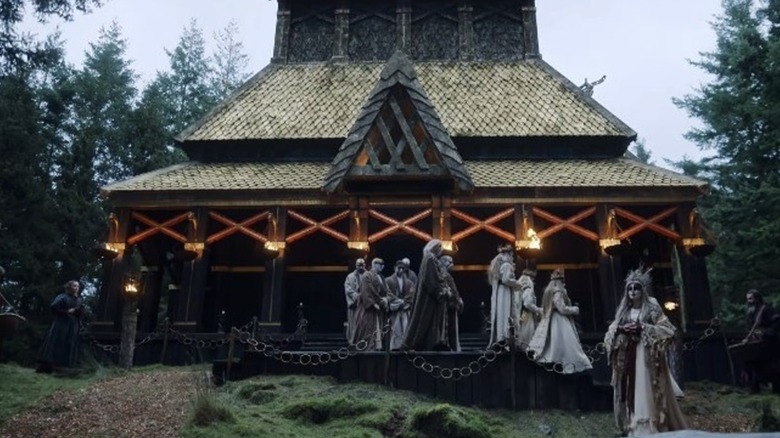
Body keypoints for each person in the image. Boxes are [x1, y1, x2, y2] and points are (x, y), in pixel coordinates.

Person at [604, 267, 687, 436]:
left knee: (644, 386)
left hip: (645, 354)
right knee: (628, 388)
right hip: (627, 354)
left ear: (643, 290)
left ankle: (649, 424)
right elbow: (611, 331)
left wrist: (642, 328)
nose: (633, 292)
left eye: (636, 288)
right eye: (630, 289)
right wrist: (621, 329)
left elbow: (667, 329)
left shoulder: (651, 308)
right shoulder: (624, 311)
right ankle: (631, 424)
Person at [528, 268, 591, 373]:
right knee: (565, 342)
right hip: (559, 320)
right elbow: (561, 308)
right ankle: (565, 364)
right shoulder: (558, 292)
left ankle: (556, 362)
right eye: (562, 281)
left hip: (552, 318)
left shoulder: (549, 291)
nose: (564, 283)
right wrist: (574, 310)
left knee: (556, 342)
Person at [403, 239, 449, 351]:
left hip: (430, 296)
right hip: (429, 299)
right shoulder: (430, 259)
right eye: (439, 248)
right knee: (426, 318)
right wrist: (440, 291)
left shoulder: (429, 259)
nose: (441, 251)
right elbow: (431, 279)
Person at [37, 280, 83, 373]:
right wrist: (66, 311)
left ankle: (64, 367)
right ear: (69, 287)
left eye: (77, 286)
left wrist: (78, 312)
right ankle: (49, 366)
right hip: (61, 324)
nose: (76, 288)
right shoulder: (62, 297)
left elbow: (81, 312)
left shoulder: (79, 300)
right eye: (74, 286)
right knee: (57, 342)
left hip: (73, 325)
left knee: (69, 344)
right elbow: (54, 307)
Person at [740, 289, 779, 393]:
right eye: (747, 299)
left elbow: (776, 324)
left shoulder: (767, 310)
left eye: (751, 299)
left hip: (768, 344)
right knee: (751, 364)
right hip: (754, 344)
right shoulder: (750, 312)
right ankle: (753, 388)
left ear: (757, 299)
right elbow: (750, 328)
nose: (749, 301)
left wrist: (764, 332)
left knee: (771, 368)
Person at [487, 244, 523, 346]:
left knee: (503, 312)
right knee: (505, 312)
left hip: (502, 291)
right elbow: (506, 279)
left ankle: (502, 336)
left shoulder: (502, 264)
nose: (512, 257)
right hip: (505, 291)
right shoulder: (507, 265)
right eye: (511, 255)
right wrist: (517, 284)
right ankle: (504, 336)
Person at [351, 258, 388, 350]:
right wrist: (373, 303)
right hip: (367, 308)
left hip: (379, 307)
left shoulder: (381, 277)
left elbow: (385, 291)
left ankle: (376, 347)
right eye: (380, 265)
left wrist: (385, 300)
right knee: (367, 329)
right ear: (374, 265)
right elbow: (366, 291)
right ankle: (366, 348)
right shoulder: (366, 275)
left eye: (382, 265)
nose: (382, 267)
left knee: (378, 329)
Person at [385, 260, 414, 350]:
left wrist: (404, 301)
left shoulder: (409, 282)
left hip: (405, 308)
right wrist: (397, 301)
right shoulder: (388, 280)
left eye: (402, 268)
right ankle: (394, 347)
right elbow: (387, 292)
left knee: (405, 328)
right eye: (399, 268)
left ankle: (404, 346)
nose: (401, 270)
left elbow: (412, 293)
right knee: (395, 328)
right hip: (395, 308)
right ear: (394, 268)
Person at [440, 255, 463, 352]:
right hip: (449, 306)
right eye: (449, 262)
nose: (451, 264)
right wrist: (458, 301)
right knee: (450, 330)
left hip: (452, 306)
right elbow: (452, 292)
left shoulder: (447, 275)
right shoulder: (444, 275)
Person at [514, 268, 541, 351]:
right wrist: (538, 310)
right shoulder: (528, 288)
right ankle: (526, 348)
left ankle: (522, 346)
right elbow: (528, 303)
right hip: (526, 312)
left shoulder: (519, 287)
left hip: (520, 311)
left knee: (521, 328)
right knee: (527, 330)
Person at [344, 258, 366, 342]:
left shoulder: (369, 276)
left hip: (365, 305)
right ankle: (353, 341)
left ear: (365, 265)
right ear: (355, 265)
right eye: (358, 265)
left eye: (362, 265)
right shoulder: (350, 276)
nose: (360, 267)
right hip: (355, 304)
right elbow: (348, 289)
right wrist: (356, 296)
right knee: (353, 324)